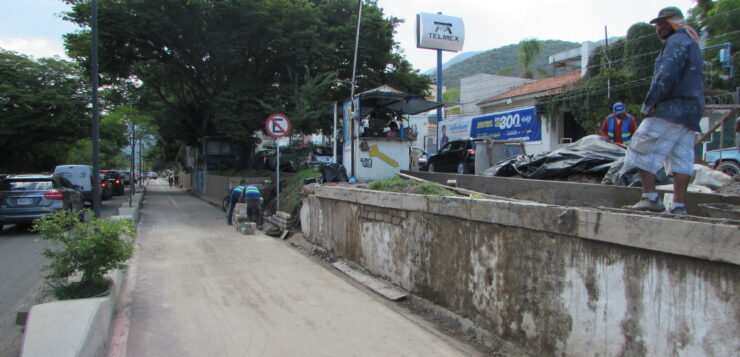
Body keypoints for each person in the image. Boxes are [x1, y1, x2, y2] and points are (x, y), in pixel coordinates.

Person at [624, 6, 704, 215]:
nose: (659, 28)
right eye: (657, 25)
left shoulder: (676, 42)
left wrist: (650, 104)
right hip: (690, 113)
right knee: (681, 158)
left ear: (673, 23)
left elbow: (665, 76)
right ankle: (678, 205)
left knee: (639, 147)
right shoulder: (692, 44)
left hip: (669, 108)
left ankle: (650, 197)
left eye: (662, 24)